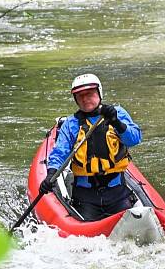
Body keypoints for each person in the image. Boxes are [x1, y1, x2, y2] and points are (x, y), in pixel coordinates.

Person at [39, 73, 142, 221]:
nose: (85, 98)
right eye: (80, 96)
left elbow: (134, 139)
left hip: (118, 193)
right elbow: (60, 153)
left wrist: (116, 122)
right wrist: (51, 175)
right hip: (86, 197)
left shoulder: (117, 113)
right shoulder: (71, 123)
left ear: (99, 93)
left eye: (89, 93)